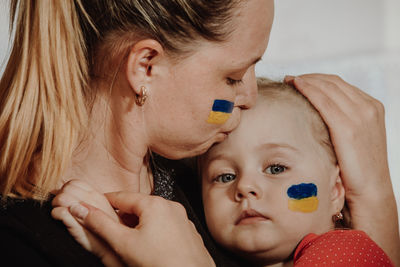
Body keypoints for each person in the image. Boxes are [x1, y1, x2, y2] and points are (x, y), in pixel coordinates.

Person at [0, 0, 398, 266]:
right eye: (233, 76)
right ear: (146, 67)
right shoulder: (19, 243)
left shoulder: (202, 174)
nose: (249, 97)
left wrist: (373, 197)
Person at [199, 78, 395, 266]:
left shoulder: (346, 252)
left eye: (276, 169)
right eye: (225, 177)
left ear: (334, 191)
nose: (244, 186)